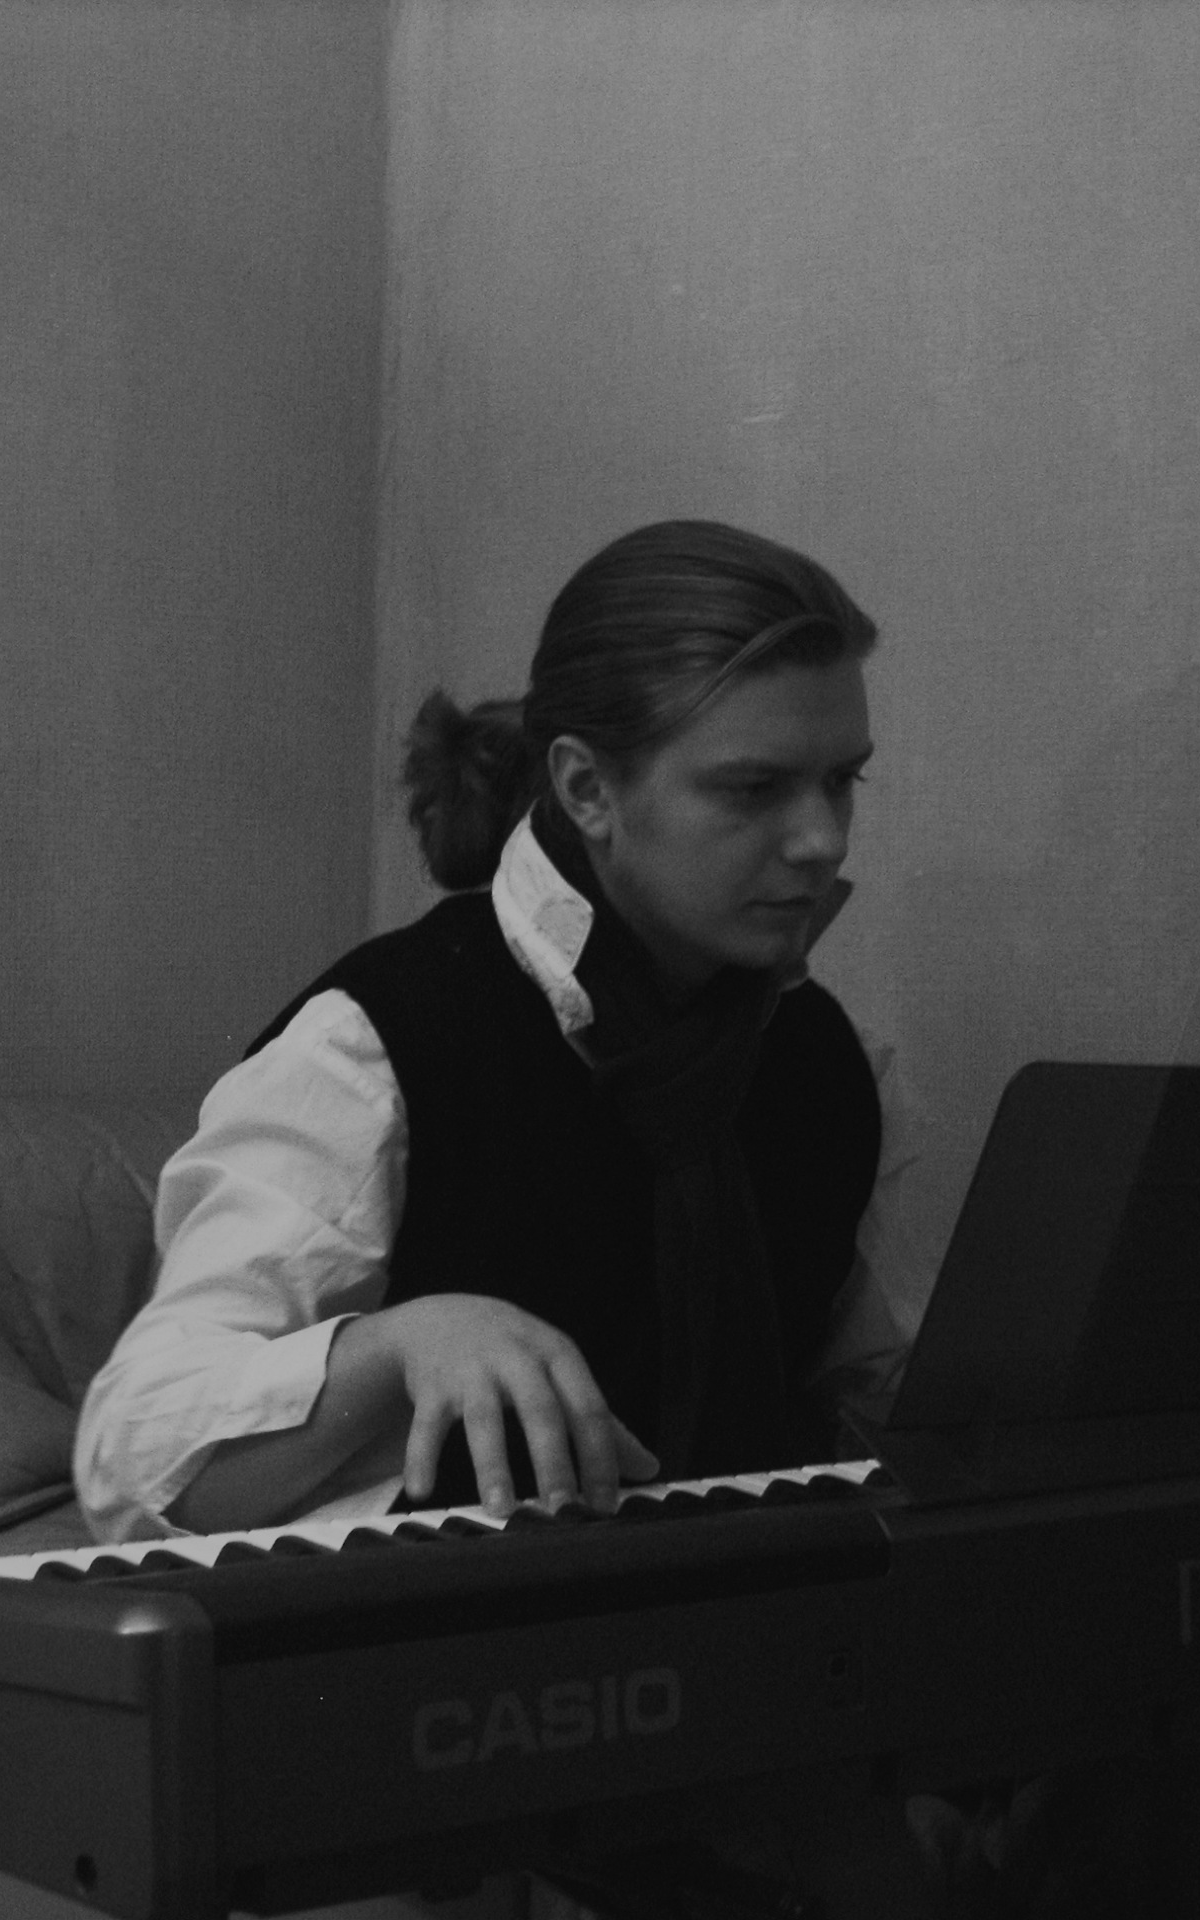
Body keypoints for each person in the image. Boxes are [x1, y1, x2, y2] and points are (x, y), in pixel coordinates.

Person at [75, 519, 935, 1543]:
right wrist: (393, 1348)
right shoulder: (376, 1048)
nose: (822, 840)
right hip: (452, 1632)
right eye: (754, 789)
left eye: (841, 780)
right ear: (586, 788)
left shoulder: (825, 1057)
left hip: (757, 1611)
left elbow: (865, 1391)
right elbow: (132, 1457)